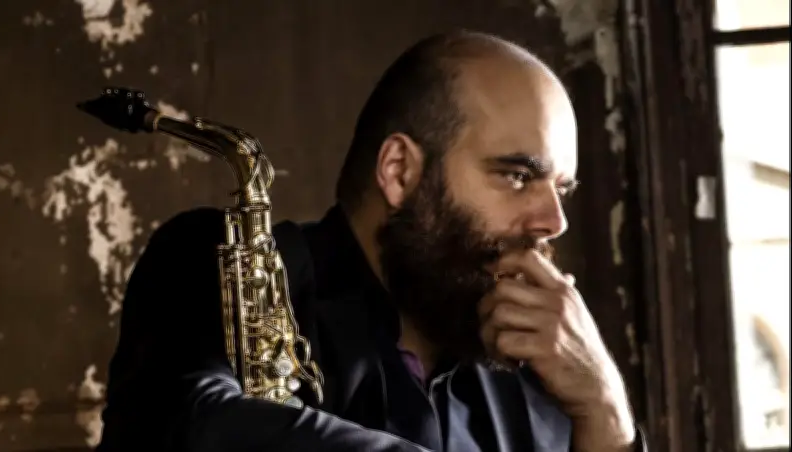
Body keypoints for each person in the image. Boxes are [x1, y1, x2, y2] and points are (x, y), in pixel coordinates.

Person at [96, 30, 647, 452]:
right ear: (399, 170)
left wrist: (605, 411)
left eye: (561, 190)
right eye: (518, 176)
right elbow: (186, 422)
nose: (554, 221)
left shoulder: (531, 367)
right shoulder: (219, 260)